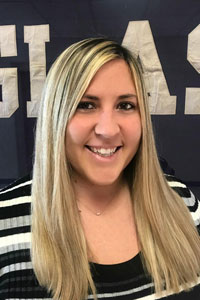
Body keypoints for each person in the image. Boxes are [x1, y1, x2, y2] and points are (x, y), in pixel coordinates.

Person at [0, 38, 200, 300]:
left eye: (125, 105)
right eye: (86, 105)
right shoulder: (5, 221)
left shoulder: (181, 201)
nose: (108, 130)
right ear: (56, 115)